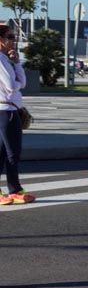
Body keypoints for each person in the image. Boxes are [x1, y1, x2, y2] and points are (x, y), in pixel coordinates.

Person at [0, 23, 32, 205]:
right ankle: (15, 189)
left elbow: (23, 82)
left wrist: (17, 63)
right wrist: (16, 84)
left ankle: (14, 189)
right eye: (10, 37)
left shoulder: (6, 59)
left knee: (3, 152)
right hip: (6, 111)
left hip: (8, 110)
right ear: (1, 40)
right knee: (13, 152)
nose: (14, 40)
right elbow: (12, 86)